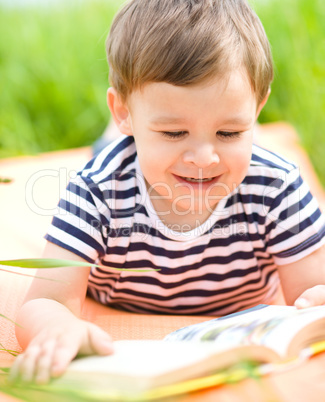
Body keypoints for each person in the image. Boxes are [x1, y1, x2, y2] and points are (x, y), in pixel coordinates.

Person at [11, 0, 325, 384]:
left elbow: (313, 288)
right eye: (174, 132)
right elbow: (45, 301)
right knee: (114, 155)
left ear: (257, 109)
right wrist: (56, 329)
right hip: (127, 173)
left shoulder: (277, 186)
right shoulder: (96, 190)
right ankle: (117, 136)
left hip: (238, 305)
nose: (204, 158)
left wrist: (315, 301)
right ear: (123, 109)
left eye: (229, 132)